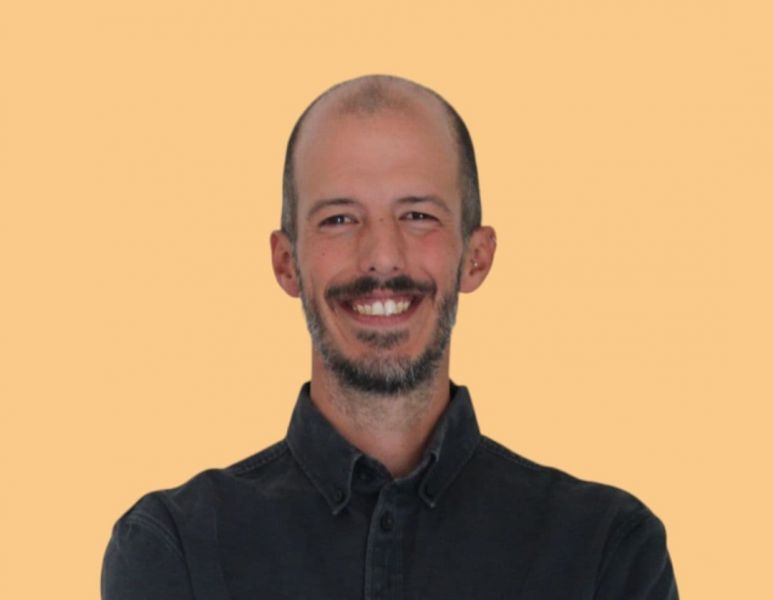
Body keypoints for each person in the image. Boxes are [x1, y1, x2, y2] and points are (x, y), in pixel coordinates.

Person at [102, 74, 678, 599]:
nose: (381, 256)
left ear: (476, 257)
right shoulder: (176, 549)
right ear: (286, 263)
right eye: (339, 219)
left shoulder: (606, 550)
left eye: (418, 216)